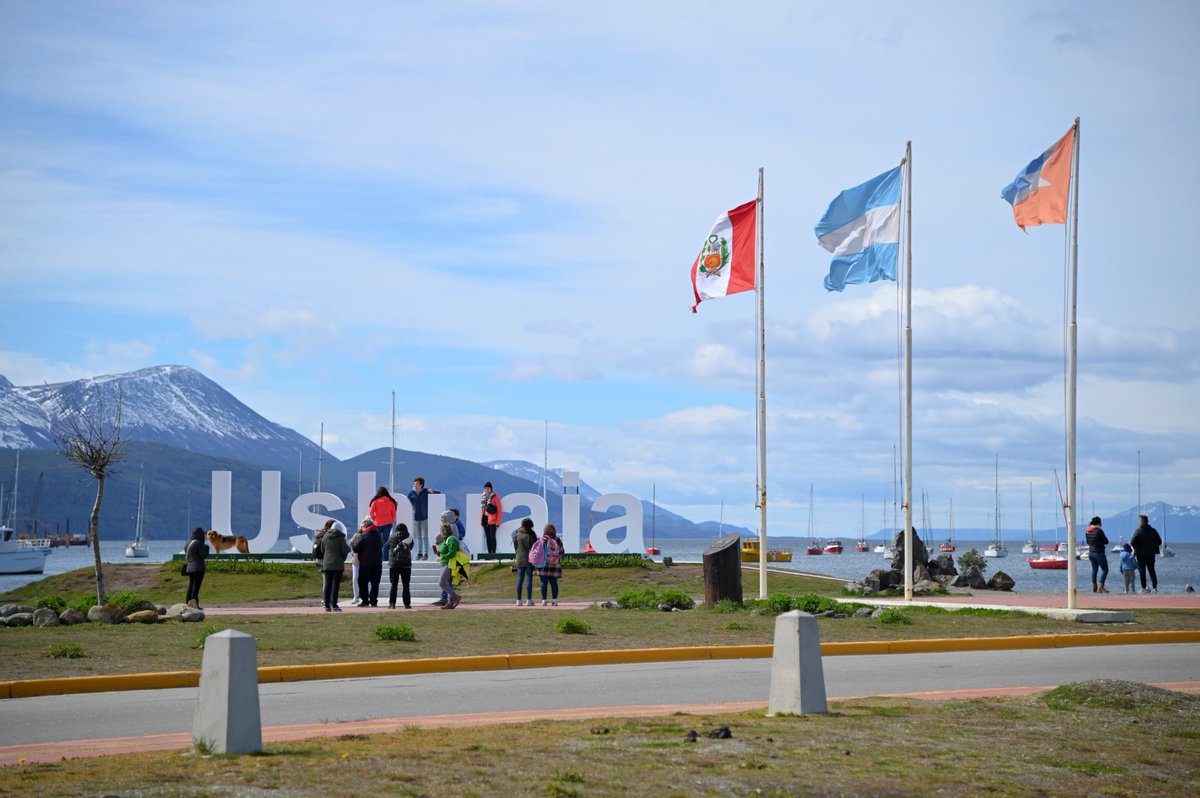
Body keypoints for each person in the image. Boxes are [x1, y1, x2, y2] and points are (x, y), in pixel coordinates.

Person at [315, 519, 351, 612]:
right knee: (335, 585)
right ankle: (334, 605)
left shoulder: (325, 537)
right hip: (338, 564)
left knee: (327, 584)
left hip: (327, 563)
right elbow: (345, 549)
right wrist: (343, 557)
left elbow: (322, 550)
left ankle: (327, 605)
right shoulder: (340, 538)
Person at [351, 516, 383, 607]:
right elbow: (381, 544)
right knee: (375, 583)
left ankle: (365, 601)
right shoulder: (378, 535)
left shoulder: (363, 536)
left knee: (363, 582)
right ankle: (373, 601)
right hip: (377, 563)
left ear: (365, 527)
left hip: (365, 564)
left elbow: (355, 548)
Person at [407, 477, 439, 561]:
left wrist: (433, 492)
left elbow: (439, 494)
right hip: (415, 518)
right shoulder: (411, 494)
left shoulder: (426, 492)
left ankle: (426, 554)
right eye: (414, 484)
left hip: (425, 518)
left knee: (425, 536)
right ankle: (419, 553)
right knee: (418, 537)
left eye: (417, 484)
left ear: (421, 485)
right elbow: (407, 503)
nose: (415, 485)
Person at [1129, 514, 1163, 593]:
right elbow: (1159, 541)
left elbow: (1132, 542)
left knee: (1142, 572)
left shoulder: (1139, 531)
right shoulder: (1153, 530)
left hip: (1141, 554)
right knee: (1152, 571)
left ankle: (1143, 588)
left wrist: (1137, 547)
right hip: (1151, 554)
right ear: (1147, 521)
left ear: (1141, 522)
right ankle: (1155, 588)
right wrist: (1152, 545)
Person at [386, 522, 414, 609]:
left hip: (394, 564)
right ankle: (407, 604)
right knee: (406, 585)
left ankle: (392, 604)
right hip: (406, 564)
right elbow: (411, 547)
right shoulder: (409, 538)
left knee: (394, 584)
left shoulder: (392, 537)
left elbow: (386, 546)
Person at [434, 522, 462, 609]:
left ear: (444, 532)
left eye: (441, 531)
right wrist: (437, 553)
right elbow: (444, 551)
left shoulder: (451, 539)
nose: (441, 533)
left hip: (450, 564)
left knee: (441, 583)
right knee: (448, 584)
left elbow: (452, 553)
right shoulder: (445, 540)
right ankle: (450, 603)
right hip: (446, 564)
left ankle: (455, 596)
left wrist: (442, 557)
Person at [512, 517, 538, 606]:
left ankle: (518, 600)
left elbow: (515, 547)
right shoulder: (531, 534)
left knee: (519, 579)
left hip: (519, 558)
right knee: (529, 579)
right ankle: (529, 600)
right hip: (529, 560)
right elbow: (535, 548)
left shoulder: (516, 534)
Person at [536, 523, 564, 606]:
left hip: (543, 564)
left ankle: (544, 600)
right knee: (554, 582)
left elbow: (537, 552)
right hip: (555, 564)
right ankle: (555, 600)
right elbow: (562, 551)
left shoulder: (541, 539)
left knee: (543, 582)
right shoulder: (557, 540)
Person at [369, 486, 398, 561]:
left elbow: (371, 512)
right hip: (388, 523)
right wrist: (391, 520)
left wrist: (374, 518)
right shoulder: (391, 502)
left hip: (377, 523)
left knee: (377, 541)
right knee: (386, 541)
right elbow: (393, 513)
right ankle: (385, 558)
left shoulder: (375, 501)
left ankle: (377, 557)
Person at [184, 526, 209, 609]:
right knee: (196, 587)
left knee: (191, 586)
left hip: (190, 567)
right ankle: (194, 604)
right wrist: (206, 548)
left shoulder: (188, 543)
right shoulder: (198, 543)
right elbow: (204, 555)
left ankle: (188, 602)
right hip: (198, 567)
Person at [1084, 516, 1110, 593]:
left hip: (1091, 553)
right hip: (1099, 552)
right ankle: (1101, 586)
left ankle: (1094, 586)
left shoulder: (1087, 531)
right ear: (1098, 523)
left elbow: (1088, 542)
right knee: (1105, 570)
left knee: (1094, 570)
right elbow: (1106, 541)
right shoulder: (1099, 531)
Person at [480, 481, 503, 554]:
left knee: (492, 537)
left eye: (488, 488)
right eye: (486, 488)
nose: (487, 490)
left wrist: (498, 522)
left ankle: (493, 553)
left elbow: (499, 510)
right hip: (485, 519)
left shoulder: (495, 497)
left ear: (491, 489)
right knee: (487, 538)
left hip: (493, 520)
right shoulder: (483, 497)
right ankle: (489, 553)